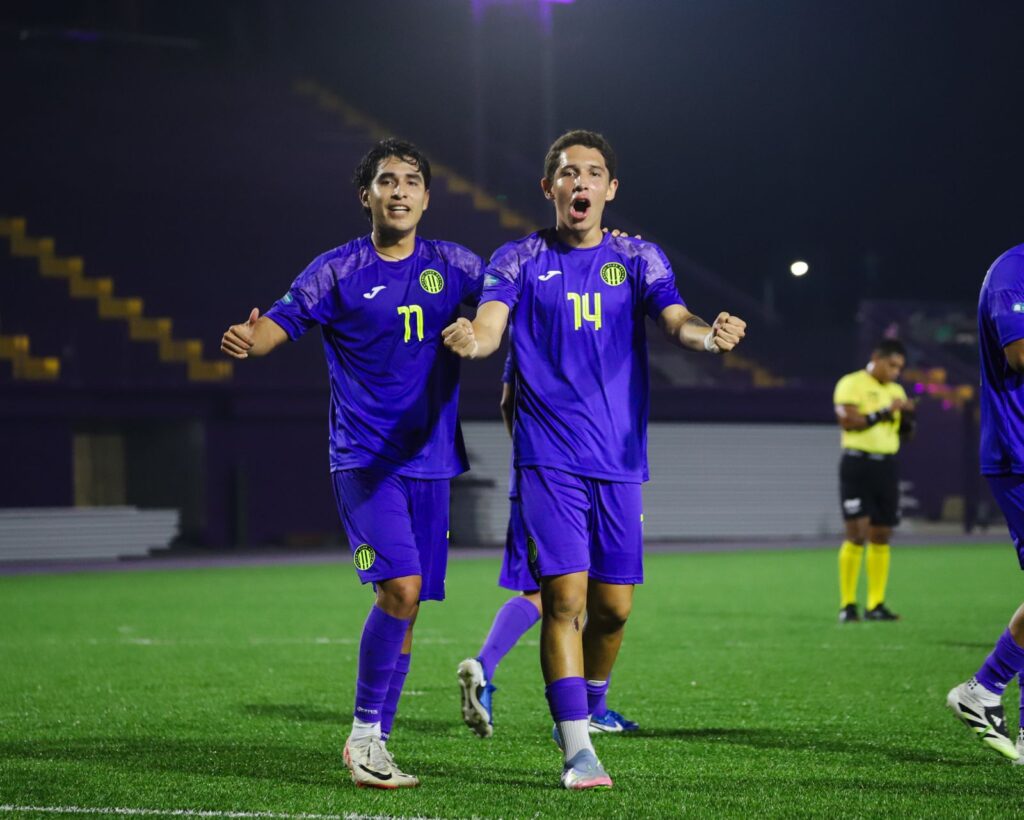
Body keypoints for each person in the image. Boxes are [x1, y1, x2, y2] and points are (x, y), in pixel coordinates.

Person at [443, 129, 746, 790]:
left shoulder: (638, 258)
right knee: (564, 599)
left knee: (613, 610)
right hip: (549, 457)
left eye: (593, 172)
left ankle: (592, 703)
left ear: (610, 189)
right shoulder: (518, 258)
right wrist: (475, 339)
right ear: (549, 187)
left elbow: (677, 319)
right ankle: (578, 748)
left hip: (618, 458)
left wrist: (708, 338)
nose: (579, 181)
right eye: (567, 172)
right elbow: (491, 323)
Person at [221, 138, 483, 789]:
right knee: (401, 589)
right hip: (365, 460)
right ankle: (363, 736)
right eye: (387, 181)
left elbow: (518, 291)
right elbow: (278, 324)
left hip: (432, 462)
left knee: (408, 603)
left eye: (411, 181)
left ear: (427, 197)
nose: (400, 191)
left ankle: (379, 742)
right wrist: (252, 339)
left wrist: (483, 325)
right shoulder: (336, 270)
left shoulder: (454, 265)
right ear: (366, 196)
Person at [457, 351, 639, 739]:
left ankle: (487, 666)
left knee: (556, 593)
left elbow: (507, 401)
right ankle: (586, 711)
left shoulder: (532, 338)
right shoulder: (595, 347)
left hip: (538, 474)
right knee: (568, 593)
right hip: (573, 475)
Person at [947, 244, 1024, 763]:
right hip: (1019, 450)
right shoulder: (1013, 271)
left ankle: (987, 690)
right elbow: (1020, 354)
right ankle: (986, 687)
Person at [833, 339, 914, 623]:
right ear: (876, 359)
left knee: (881, 534)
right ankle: (847, 605)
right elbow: (848, 421)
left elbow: (904, 434)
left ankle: (875, 604)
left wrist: (908, 419)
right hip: (858, 464)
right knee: (856, 534)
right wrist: (884, 412)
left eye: (899, 368)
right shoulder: (851, 383)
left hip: (886, 466)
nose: (895, 372)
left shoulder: (896, 391)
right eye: (892, 365)